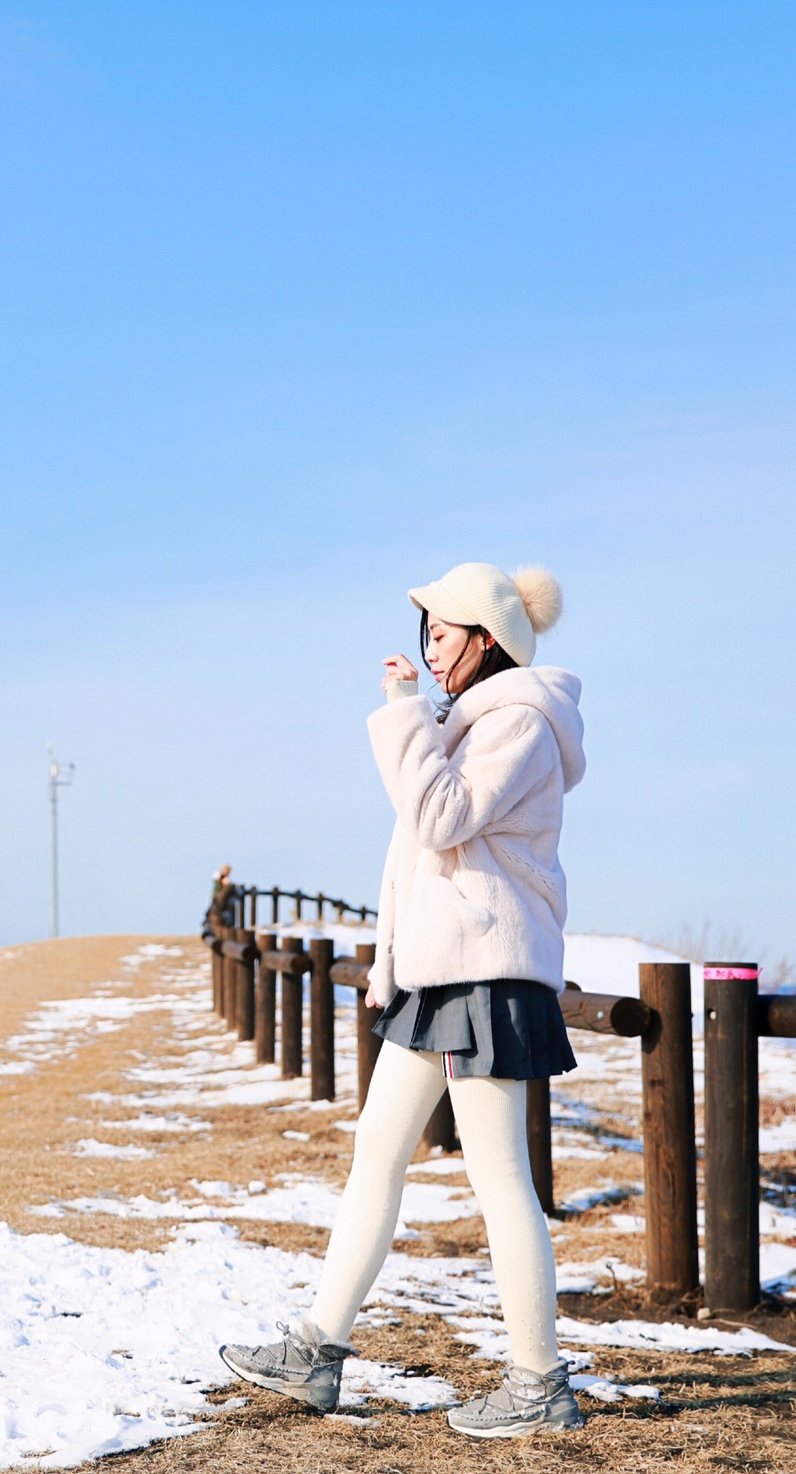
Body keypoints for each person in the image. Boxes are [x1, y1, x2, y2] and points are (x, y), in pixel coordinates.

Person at [219, 562, 585, 1439]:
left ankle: (540, 1383)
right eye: (425, 632)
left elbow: (440, 819)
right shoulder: (463, 722)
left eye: (443, 634)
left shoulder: (521, 724)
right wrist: (392, 965)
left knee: (500, 1179)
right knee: (376, 1153)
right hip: (439, 974)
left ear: (487, 640)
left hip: (483, 975)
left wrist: (403, 717)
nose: (428, 650)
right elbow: (413, 860)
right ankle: (317, 1351)